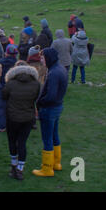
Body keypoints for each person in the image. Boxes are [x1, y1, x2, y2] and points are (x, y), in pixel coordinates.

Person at [32, 48, 68, 177]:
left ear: (49, 58)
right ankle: (56, 164)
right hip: (57, 107)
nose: (41, 60)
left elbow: (51, 95)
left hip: (49, 109)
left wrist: (40, 103)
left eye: (43, 57)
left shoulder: (53, 73)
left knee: (47, 139)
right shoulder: (61, 69)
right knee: (54, 136)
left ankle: (47, 169)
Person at [2, 64, 40, 180]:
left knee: (12, 141)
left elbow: (4, 96)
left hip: (12, 118)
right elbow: (36, 99)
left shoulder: (10, 84)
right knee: (22, 143)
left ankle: (13, 165)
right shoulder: (36, 84)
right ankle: (20, 169)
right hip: (28, 118)